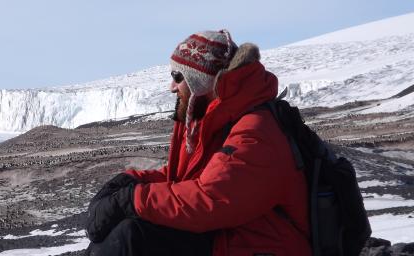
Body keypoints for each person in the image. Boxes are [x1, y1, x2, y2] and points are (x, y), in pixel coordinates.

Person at [85, 30, 311, 256]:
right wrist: (130, 181)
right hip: (229, 236)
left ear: (201, 81)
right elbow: (189, 179)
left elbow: (210, 198)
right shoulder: (217, 120)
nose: (171, 87)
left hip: (261, 245)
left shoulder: (256, 132)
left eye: (177, 76)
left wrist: (131, 200)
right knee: (124, 233)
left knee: (132, 238)